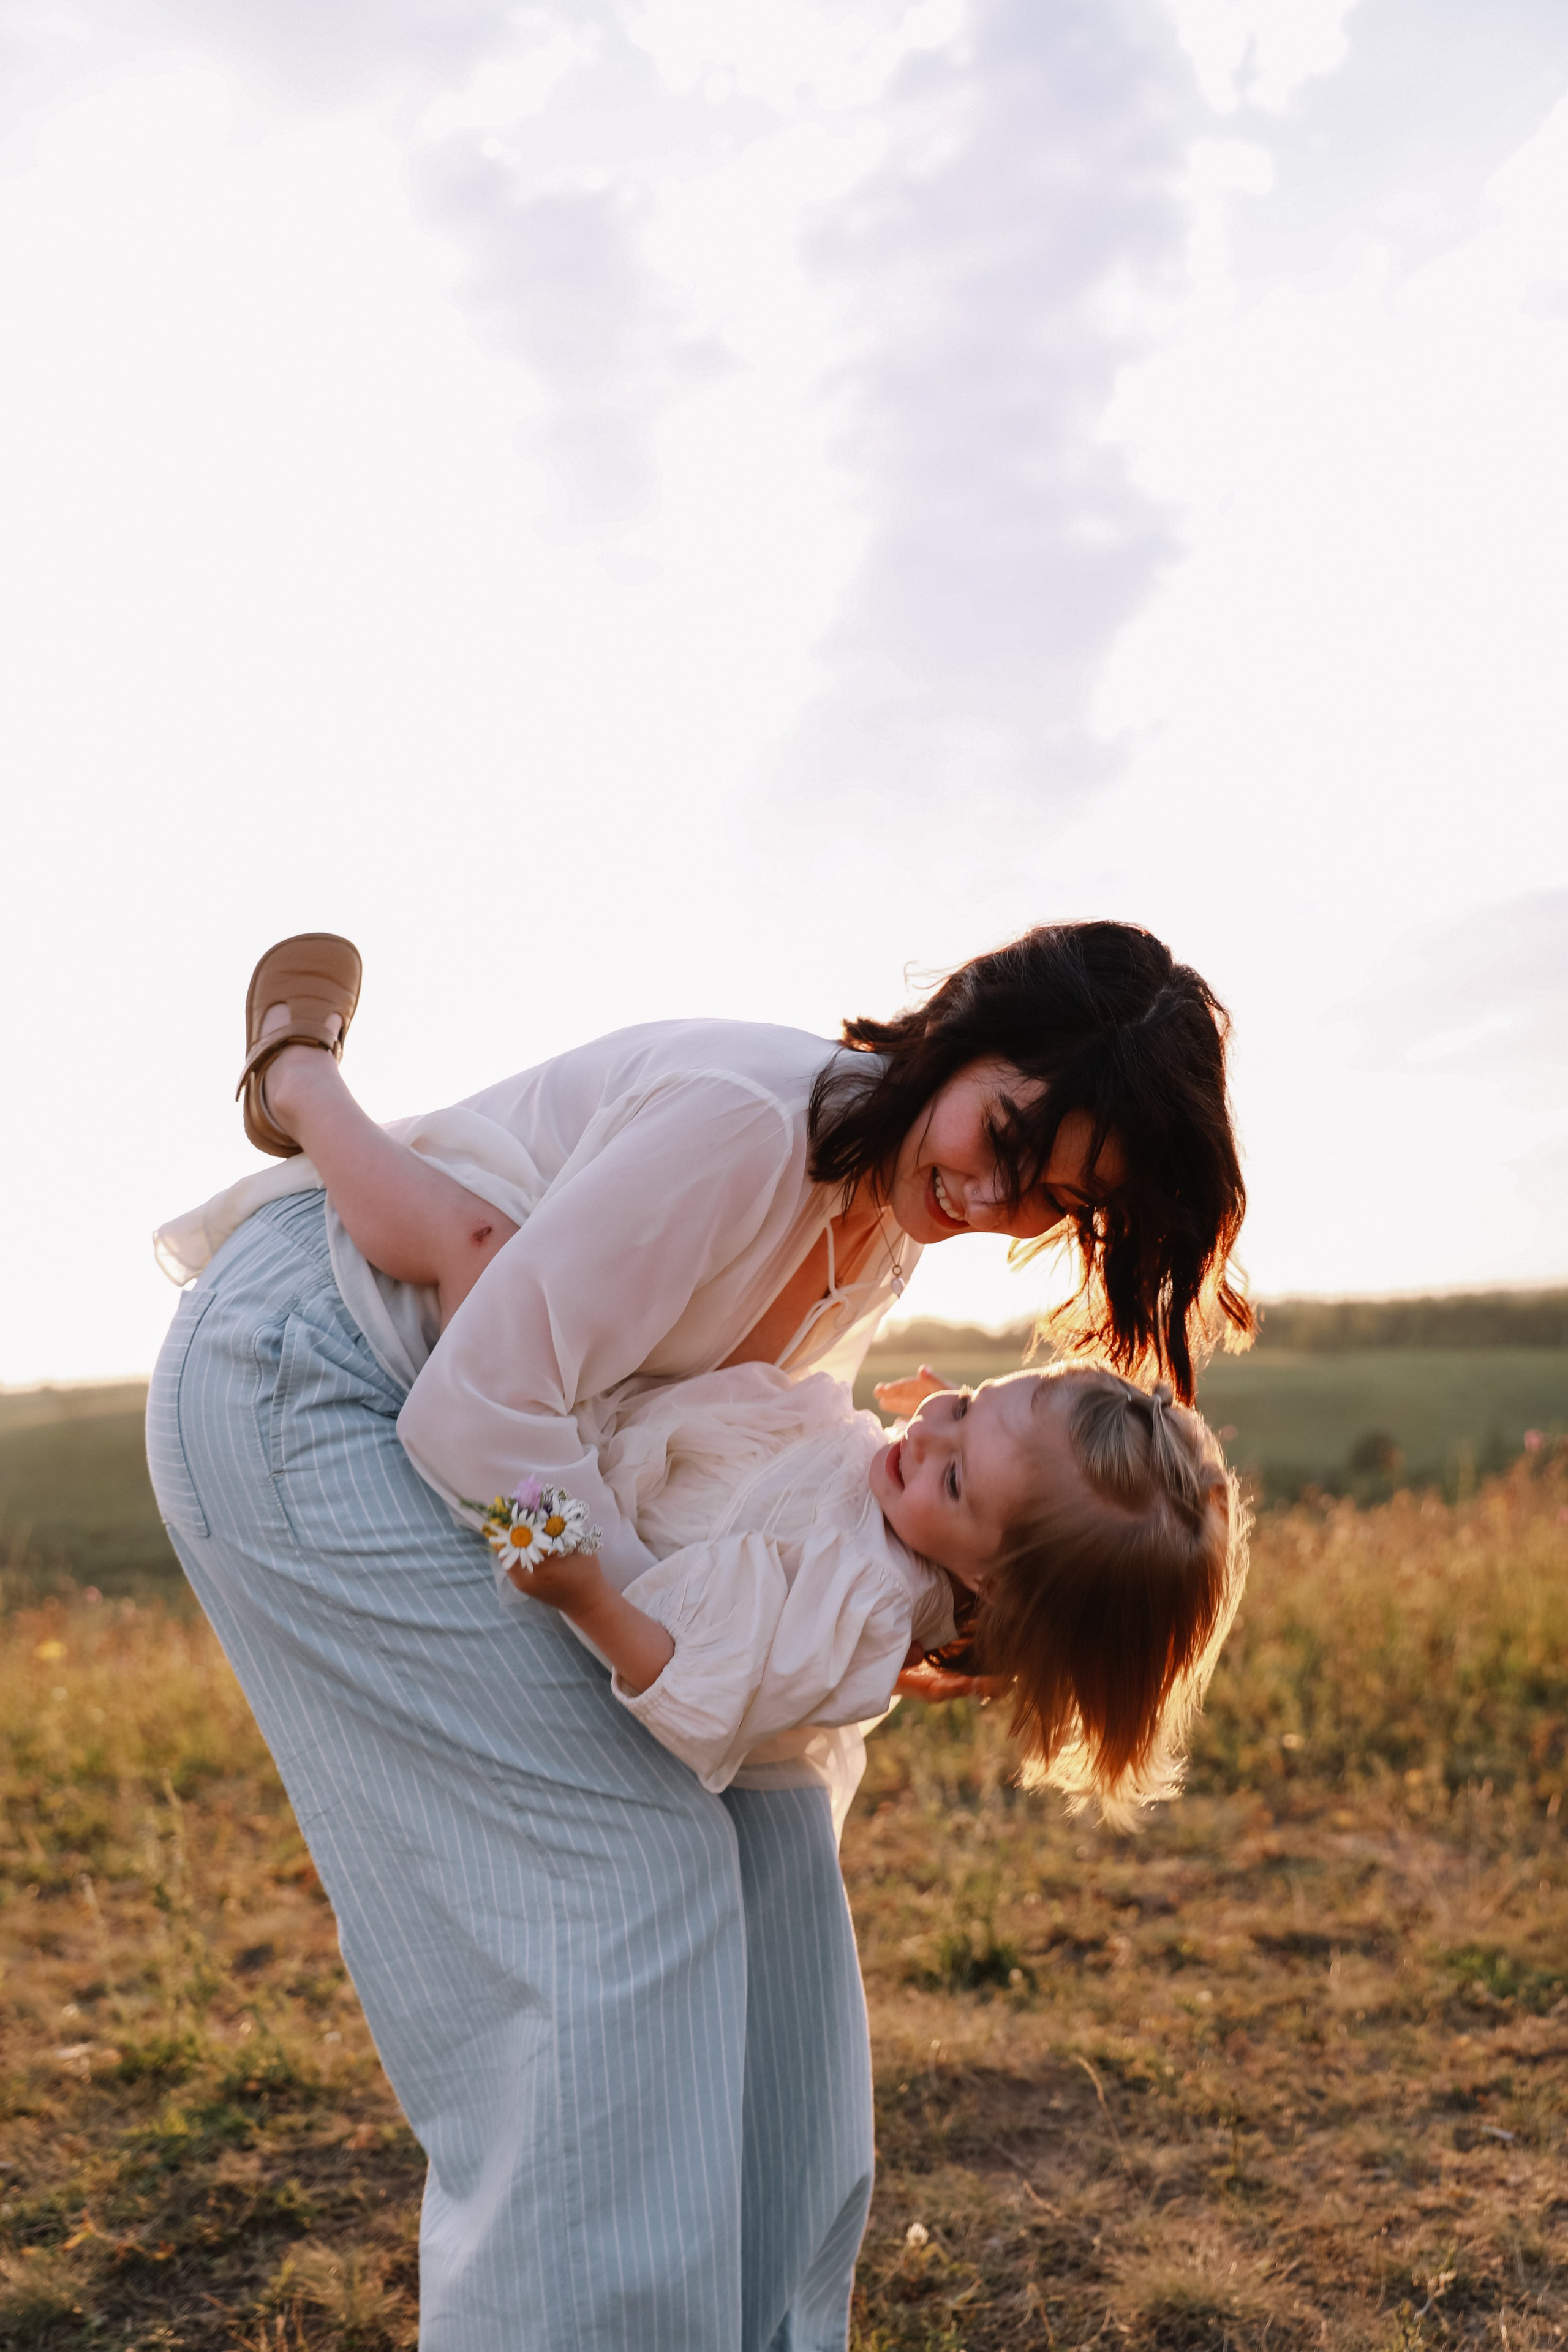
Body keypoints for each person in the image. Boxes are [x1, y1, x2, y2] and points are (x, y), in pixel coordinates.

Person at [146, 922, 1250, 2352]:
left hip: (487, 1422)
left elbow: (742, 1474)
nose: (990, 1195)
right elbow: (477, 1416)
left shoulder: (875, 1238)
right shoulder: (748, 1132)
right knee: (631, 1875)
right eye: (1004, 1134)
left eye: (1043, 1197)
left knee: (773, 1848)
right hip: (313, 1383)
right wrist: (617, 1612)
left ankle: (758, 2327)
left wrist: (878, 1627)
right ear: (966, 1033)